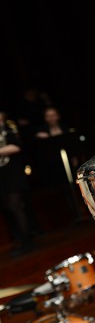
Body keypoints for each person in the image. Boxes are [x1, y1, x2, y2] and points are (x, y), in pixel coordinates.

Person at [0, 110, 37, 257]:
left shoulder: (8, 130)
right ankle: (21, 239)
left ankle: (28, 240)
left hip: (12, 173)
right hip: (2, 175)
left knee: (16, 205)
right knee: (8, 206)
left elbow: (15, 147)